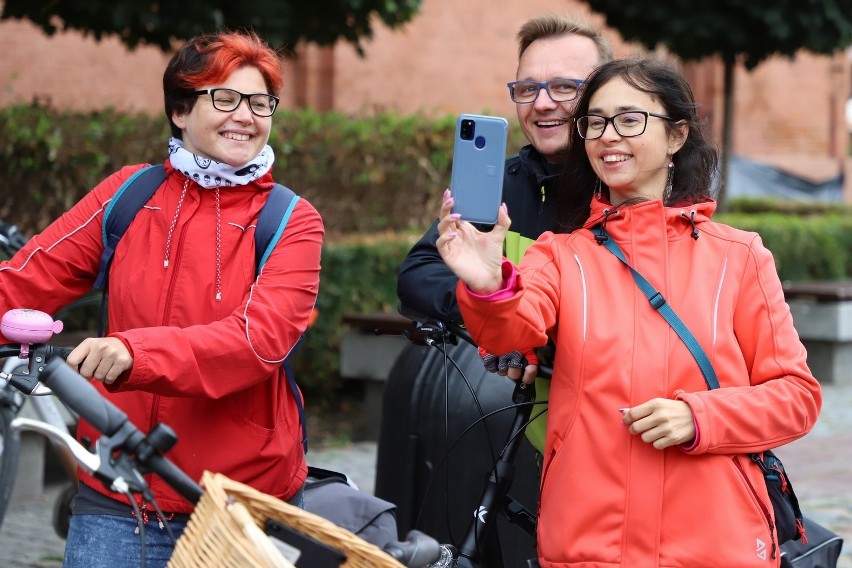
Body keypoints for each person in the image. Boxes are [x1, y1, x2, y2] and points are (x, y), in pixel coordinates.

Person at [435, 56, 823, 567]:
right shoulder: (559, 253)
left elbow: (796, 397)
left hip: (715, 542)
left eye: (629, 119)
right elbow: (511, 332)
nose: (608, 136)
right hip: (589, 542)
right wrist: (487, 285)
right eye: (594, 122)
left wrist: (700, 416)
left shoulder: (739, 256)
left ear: (677, 136)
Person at [0, 31, 323, 567]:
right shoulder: (128, 195)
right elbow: (25, 280)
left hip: (240, 503)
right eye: (224, 98)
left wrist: (135, 353)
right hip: (117, 494)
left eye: (260, 102)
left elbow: (258, 342)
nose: (246, 115)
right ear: (179, 109)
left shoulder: (292, 219)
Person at [377, 14, 612, 564]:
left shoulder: (626, 182)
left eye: (565, 87)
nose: (543, 103)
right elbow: (419, 272)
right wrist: (490, 319)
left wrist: (536, 330)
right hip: (513, 426)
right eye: (527, 88)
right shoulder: (498, 184)